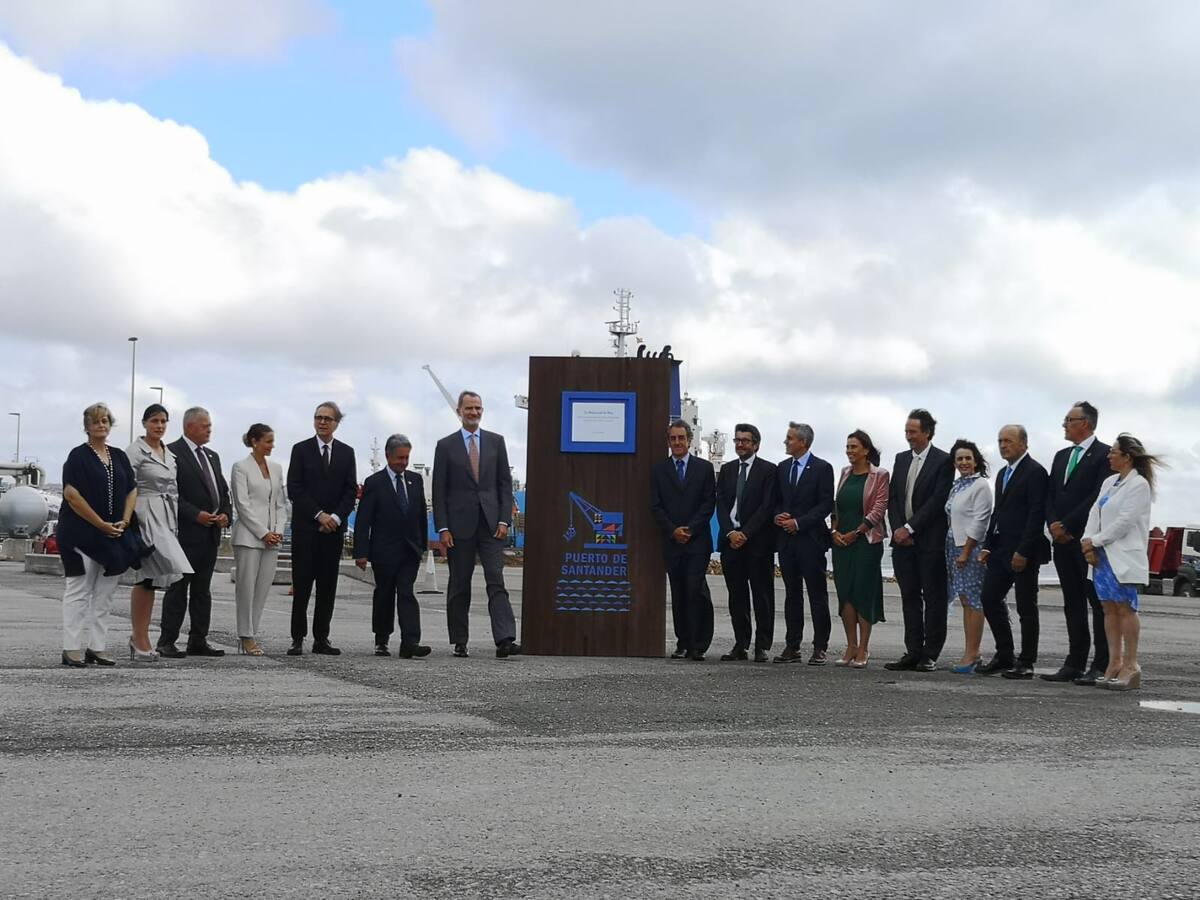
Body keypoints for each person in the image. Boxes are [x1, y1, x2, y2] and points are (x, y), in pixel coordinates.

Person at [432, 391, 520, 658]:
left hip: (491, 525)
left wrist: (504, 519)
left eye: (478, 408)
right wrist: (443, 528)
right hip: (459, 527)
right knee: (460, 583)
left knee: (496, 579)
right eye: (469, 408)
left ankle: (505, 639)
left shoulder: (496, 442)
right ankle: (460, 641)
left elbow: (504, 484)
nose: (474, 412)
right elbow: (439, 490)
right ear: (459, 411)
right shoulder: (445, 446)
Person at [57, 403, 146, 667]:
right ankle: (71, 648)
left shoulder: (118, 456)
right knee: (79, 590)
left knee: (105, 594)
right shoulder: (77, 456)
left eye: (105, 420)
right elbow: (72, 495)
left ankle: (97, 647)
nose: (101, 425)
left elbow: (132, 489)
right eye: (96, 421)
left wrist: (125, 521)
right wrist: (99, 524)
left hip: (114, 536)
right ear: (87, 426)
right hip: (81, 535)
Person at [1082, 434, 1161, 691]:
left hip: (1122, 555)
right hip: (1102, 556)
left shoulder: (1139, 485)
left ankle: (1131, 664)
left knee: (1126, 608)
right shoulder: (1109, 482)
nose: (1109, 455)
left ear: (1127, 457)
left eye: (1114, 452)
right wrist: (1087, 541)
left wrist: (1095, 541)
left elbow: (1125, 521)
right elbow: (1095, 512)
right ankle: (1114, 662)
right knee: (1109, 608)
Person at [1042, 402, 1112, 685]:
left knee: (1096, 602)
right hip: (1060, 541)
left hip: (1086, 540)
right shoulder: (1061, 456)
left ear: (1085, 423)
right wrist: (1053, 523)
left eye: (1069, 420)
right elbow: (1050, 494)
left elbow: (1097, 496)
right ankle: (1074, 661)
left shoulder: (1105, 454)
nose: (1064, 425)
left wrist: (1068, 525)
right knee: (1072, 602)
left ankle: (1101, 663)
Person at [976, 425, 1051, 679]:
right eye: (1000, 441)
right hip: (1000, 548)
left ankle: (1027, 661)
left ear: (1023, 444)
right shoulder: (1002, 474)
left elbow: (1036, 514)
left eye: (1008, 441)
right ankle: (1004, 654)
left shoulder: (1035, 472)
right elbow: (998, 512)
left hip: (1023, 551)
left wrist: (1023, 551)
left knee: (1026, 606)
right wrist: (988, 544)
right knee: (989, 598)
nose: (1003, 445)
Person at [158, 407, 231, 659]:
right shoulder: (171, 453)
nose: (210, 429)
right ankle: (167, 640)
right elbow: (170, 494)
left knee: (202, 591)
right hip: (184, 534)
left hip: (210, 535)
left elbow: (223, 491)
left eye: (210, 425)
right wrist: (195, 514)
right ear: (190, 426)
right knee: (178, 588)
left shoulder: (212, 456)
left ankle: (198, 639)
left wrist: (225, 514)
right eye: (205, 425)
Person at [885, 409, 954, 672]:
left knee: (934, 599)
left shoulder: (943, 461)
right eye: (906, 431)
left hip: (929, 542)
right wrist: (898, 529)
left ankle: (930, 653)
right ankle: (913, 651)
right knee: (909, 597)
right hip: (902, 544)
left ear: (927, 432)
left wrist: (910, 528)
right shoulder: (901, 459)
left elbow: (937, 501)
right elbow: (893, 498)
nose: (908, 436)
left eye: (913, 432)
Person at [287, 401, 358, 656]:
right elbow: (295, 488)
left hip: (332, 532)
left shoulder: (347, 453)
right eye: (318, 417)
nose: (322, 422)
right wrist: (319, 515)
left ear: (337, 423)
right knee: (302, 586)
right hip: (307, 529)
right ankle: (297, 638)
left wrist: (335, 518)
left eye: (328, 418)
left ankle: (321, 638)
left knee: (327, 587)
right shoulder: (301, 450)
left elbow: (350, 491)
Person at [125, 404, 193, 662]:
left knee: (154, 578)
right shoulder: (135, 451)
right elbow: (127, 485)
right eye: (154, 421)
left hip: (165, 515)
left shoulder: (169, 454)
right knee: (146, 575)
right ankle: (139, 638)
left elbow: (173, 489)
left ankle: (140, 637)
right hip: (144, 513)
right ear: (145, 423)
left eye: (164, 421)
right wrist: (129, 520)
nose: (160, 426)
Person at [354, 434, 432, 659]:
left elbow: (420, 514)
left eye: (407, 458)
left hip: (409, 550)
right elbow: (363, 520)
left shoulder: (415, 480)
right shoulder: (374, 483)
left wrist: (422, 545)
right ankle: (382, 639)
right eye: (400, 458)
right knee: (385, 594)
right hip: (384, 551)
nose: (404, 462)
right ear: (388, 456)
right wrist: (361, 552)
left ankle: (410, 641)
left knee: (406, 592)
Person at [650, 419, 717, 661]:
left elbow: (708, 503)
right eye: (673, 438)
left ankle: (698, 644)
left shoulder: (704, 469)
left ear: (689, 440)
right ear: (668, 442)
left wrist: (690, 529)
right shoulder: (659, 470)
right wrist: (673, 530)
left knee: (695, 590)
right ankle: (683, 642)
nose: (677, 442)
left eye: (681, 438)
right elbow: (656, 506)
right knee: (678, 592)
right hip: (672, 542)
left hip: (697, 541)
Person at [773, 422, 835, 665]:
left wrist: (799, 523)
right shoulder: (782, 468)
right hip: (787, 542)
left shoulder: (822, 468)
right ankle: (792, 645)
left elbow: (825, 504)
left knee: (817, 594)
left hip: (811, 540)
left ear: (803, 442)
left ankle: (820, 646)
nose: (786, 442)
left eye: (790, 438)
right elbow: (776, 500)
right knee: (792, 594)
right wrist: (777, 516)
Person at [715, 424, 777, 662]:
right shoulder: (727, 469)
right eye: (737, 440)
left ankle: (762, 646)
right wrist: (731, 532)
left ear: (756, 445)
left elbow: (767, 507)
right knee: (737, 597)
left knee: (762, 596)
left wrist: (746, 533)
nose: (740, 444)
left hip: (757, 543)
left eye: (745, 440)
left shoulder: (768, 470)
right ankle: (741, 644)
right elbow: (721, 503)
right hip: (731, 543)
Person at [830, 430, 889, 669]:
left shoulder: (879, 475)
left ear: (866, 450)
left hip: (866, 542)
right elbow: (837, 506)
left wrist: (857, 532)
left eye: (854, 447)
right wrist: (834, 531)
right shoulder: (844, 473)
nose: (849, 451)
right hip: (842, 542)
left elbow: (879, 509)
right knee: (845, 591)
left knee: (863, 591)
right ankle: (851, 645)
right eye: (847, 447)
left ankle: (863, 647)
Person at [230, 423, 288, 656]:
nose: (272, 446)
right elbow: (242, 505)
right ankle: (245, 635)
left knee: (262, 588)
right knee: (246, 588)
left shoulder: (276, 468)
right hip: (249, 537)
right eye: (268, 441)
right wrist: (263, 532)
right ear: (255, 441)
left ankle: (252, 631)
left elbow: (281, 503)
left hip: (272, 539)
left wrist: (278, 530)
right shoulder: (240, 467)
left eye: (273, 441)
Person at [943, 439, 992, 674]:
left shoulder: (981, 485)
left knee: (973, 600)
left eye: (967, 458)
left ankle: (972, 653)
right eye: (959, 459)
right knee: (964, 600)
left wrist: (965, 551)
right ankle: (971, 650)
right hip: (954, 546)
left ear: (976, 461)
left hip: (970, 549)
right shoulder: (958, 486)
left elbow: (981, 520)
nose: (963, 462)